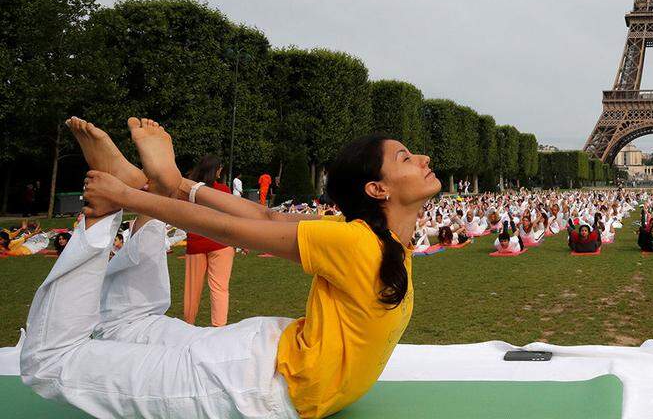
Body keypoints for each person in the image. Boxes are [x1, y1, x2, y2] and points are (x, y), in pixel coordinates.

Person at [21, 116, 441, 419]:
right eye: (406, 158)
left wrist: (178, 186)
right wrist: (134, 199)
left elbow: (265, 219)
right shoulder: (358, 241)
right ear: (377, 189)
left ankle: (146, 186)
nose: (422, 158)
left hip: (264, 360)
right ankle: (107, 211)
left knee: (130, 323)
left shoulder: (375, 239)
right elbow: (240, 227)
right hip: (254, 383)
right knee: (51, 363)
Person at [182, 155, 236, 326]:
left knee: (192, 290)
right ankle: (219, 329)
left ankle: (188, 326)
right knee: (220, 289)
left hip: (196, 243)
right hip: (220, 243)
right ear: (216, 170)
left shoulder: (190, 190)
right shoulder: (223, 190)